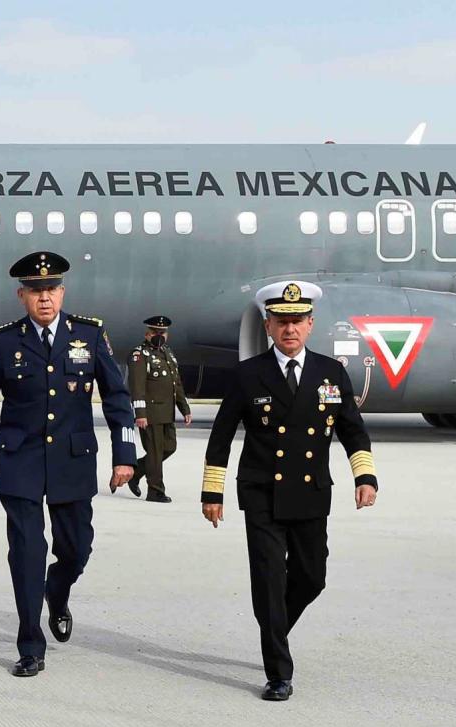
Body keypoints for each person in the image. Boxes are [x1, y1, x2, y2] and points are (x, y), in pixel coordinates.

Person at [200, 281, 378, 702]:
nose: (290, 329)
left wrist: (364, 477)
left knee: (311, 577)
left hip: (311, 492)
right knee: (267, 579)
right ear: (268, 325)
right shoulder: (248, 375)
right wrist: (213, 492)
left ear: (311, 324)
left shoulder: (330, 373)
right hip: (262, 492)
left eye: (297, 321)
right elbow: (222, 436)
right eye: (282, 322)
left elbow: (353, 429)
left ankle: (274, 627)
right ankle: (279, 671)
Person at [0, 251, 137, 676]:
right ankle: (30, 646)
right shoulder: (5, 341)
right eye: (36, 291)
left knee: (76, 549)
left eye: (52, 290)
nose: (45, 298)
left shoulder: (90, 335)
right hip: (18, 462)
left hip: (72, 461)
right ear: (22, 295)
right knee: (27, 552)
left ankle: (56, 594)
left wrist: (126, 455)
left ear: (62, 292)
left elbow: (117, 399)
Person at [125, 316, 191, 502]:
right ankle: (155, 491)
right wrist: (140, 414)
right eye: (155, 332)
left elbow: (176, 384)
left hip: (167, 413)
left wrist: (184, 408)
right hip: (151, 413)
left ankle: (137, 471)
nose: (159, 336)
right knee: (154, 454)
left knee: (170, 448)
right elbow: (137, 387)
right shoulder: (139, 355)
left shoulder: (167, 353)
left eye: (162, 333)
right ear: (147, 333)